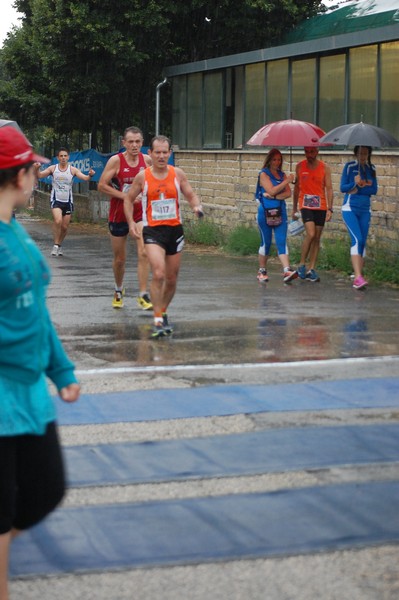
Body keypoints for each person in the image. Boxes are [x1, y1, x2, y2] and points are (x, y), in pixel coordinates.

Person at [0, 125, 80, 600]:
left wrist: (61, 370)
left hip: (28, 390)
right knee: (3, 511)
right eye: (34, 168)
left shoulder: (15, 230)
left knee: (45, 491)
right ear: (23, 175)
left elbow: (36, 309)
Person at [124, 135, 203, 338]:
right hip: (152, 231)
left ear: (170, 153)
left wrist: (196, 206)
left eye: (164, 152)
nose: (161, 156)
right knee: (158, 273)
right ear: (149, 154)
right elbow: (128, 199)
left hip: (174, 230)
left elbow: (190, 194)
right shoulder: (143, 176)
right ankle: (157, 318)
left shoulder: (177, 174)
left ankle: (163, 310)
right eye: (157, 152)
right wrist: (132, 223)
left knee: (171, 279)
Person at [98, 127, 153, 310]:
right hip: (118, 214)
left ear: (142, 142)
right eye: (130, 142)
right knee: (120, 259)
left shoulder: (147, 161)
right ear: (124, 143)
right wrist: (126, 197)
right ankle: (118, 289)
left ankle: (143, 294)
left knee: (144, 251)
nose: (134, 145)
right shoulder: (116, 161)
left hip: (140, 213)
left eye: (137, 141)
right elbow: (102, 186)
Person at [35, 148, 95, 257]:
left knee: (65, 227)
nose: (63, 158)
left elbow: (85, 178)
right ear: (58, 158)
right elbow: (39, 175)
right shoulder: (53, 169)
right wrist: (37, 169)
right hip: (56, 199)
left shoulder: (72, 170)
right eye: (61, 156)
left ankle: (59, 244)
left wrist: (90, 175)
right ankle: (55, 245)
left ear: (68, 157)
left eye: (65, 156)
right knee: (58, 221)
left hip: (68, 201)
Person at [255, 148, 298, 284]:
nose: (277, 162)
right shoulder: (264, 174)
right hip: (265, 212)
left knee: (281, 240)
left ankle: (287, 270)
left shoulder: (282, 174)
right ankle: (262, 270)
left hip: (280, 211)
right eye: (274, 159)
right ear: (269, 160)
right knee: (266, 242)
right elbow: (271, 189)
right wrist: (287, 182)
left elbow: (287, 194)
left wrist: (274, 196)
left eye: (279, 159)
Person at [292, 146, 334, 282]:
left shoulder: (324, 168)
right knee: (310, 233)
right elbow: (296, 189)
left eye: (311, 152)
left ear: (317, 152)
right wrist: (294, 208)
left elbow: (329, 188)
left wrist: (330, 208)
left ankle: (311, 269)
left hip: (320, 206)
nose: (309, 155)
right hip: (305, 205)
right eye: (306, 152)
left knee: (316, 237)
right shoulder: (299, 166)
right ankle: (302, 264)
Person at [340, 145, 377, 290]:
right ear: (356, 154)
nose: (363, 157)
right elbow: (343, 187)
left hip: (365, 209)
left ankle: (359, 274)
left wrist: (360, 186)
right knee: (357, 239)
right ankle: (357, 278)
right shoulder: (349, 167)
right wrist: (355, 183)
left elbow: (373, 189)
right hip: (350, 208)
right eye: (360, 154)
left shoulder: (371, 169)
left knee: (363, 242)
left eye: (366, 154)